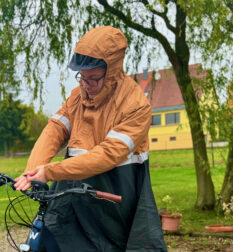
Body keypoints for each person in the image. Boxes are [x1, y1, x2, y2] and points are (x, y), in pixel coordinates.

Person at [14, 26, 167, 252]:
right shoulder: (78, 96)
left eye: (93, 79)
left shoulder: (135, 105)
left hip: (114, 194)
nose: (86, 86)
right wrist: (34, 170)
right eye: (82, 78)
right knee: (55, 237)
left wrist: (51, 171)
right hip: (73, 186)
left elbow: (108, 154)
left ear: (112, 71)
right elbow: (55, 129)